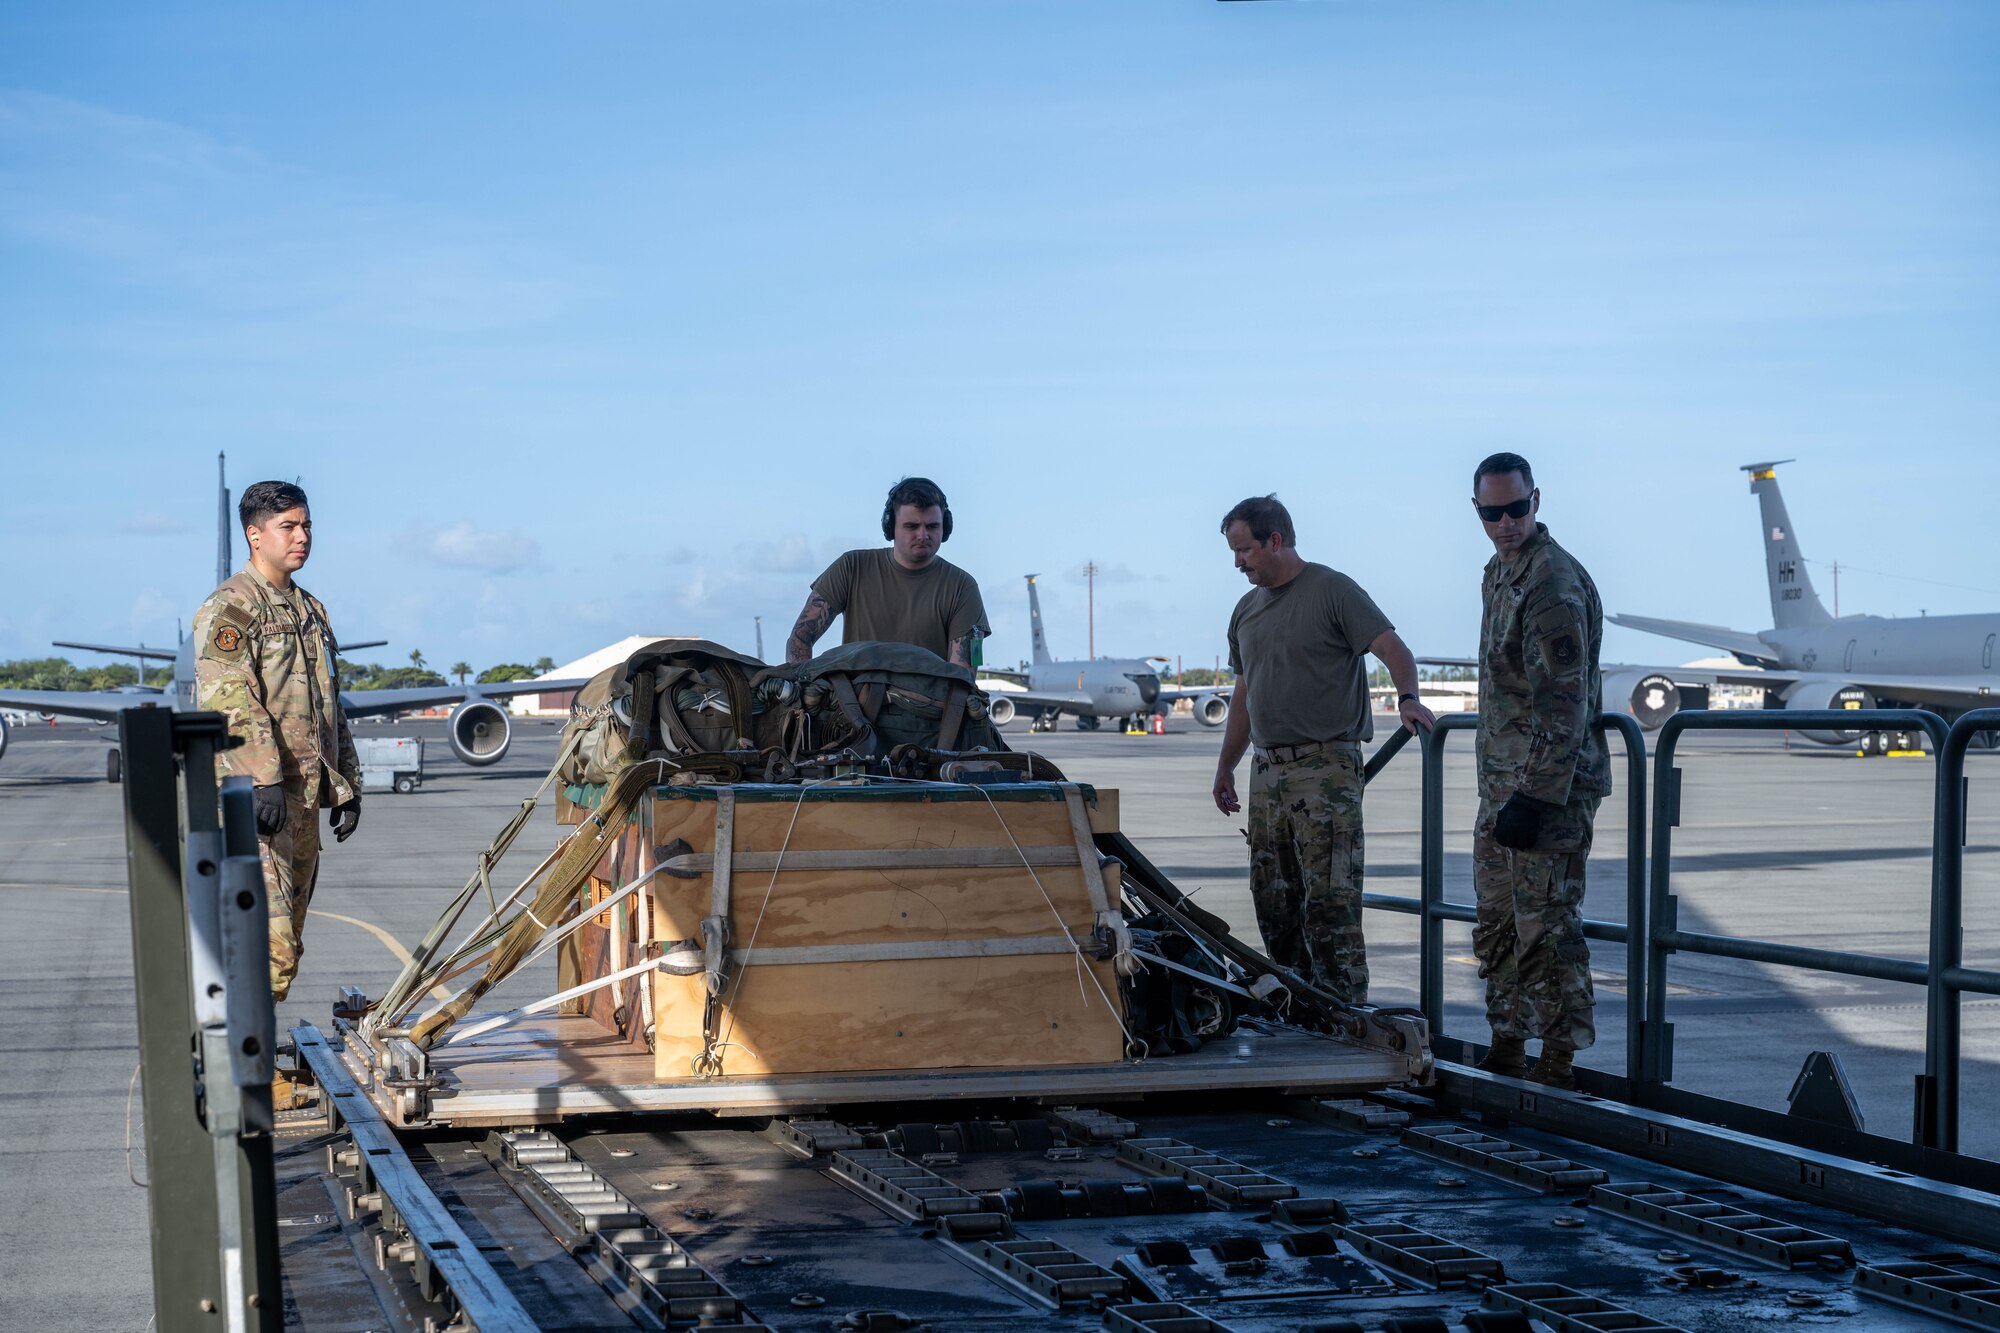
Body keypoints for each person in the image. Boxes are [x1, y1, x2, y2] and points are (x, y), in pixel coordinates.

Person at [1211, 495, 1434, 1005]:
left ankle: (1344, 1012)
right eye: (1233, 552)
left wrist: (1408, 699)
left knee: (1329, 900)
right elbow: (1245, 694)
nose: (1238, 562)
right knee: (1273, 900)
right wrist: (1226, 765)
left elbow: (1392, 648)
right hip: (1267, 771)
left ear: (1275, 540)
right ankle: (1298, 1006)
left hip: (1325, 768)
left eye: (1244, 550)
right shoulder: (1246, 611)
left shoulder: (1331, 590)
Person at [192, 480, 362, 1036]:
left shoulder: (311, 609)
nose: (302, 537)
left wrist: (348, 783)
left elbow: (331, 704)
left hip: (306, 796)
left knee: (288, 936)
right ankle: (242, 1063)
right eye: (288, 526)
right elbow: (228, 698)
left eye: (306, 525)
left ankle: (247, 1051)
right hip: (260, 801)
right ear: (254, 534)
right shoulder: (231, 607)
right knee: (270, 943)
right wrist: (260, 779)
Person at [1469, 452, 1610, 1090]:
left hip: (1545, 793)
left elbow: (1565, 700)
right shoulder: (1499, 575)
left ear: (1536, 501)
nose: (1504, 523)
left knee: (1546, 926)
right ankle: (1507, 1042)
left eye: (1515, 509)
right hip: (1501, 787)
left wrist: (1535, 796)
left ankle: (1557, 1060)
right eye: (1490, 512)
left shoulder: (1553, 584)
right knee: (1498, 922)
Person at [787, 476, 988, 666]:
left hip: (928, 702)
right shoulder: (851, 568)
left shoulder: (963, 588)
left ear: (946, 528)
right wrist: (802, 692)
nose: (923, 535)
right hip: (852, 701)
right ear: (890, 526)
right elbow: (800, 638)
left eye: (933, 526)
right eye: (912, 526)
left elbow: (964, 674)